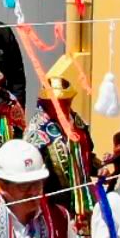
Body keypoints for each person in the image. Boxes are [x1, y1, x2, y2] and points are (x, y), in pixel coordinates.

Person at [26, 77, 97, 214]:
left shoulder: (78, 125)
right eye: (57, 103)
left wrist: (99, 167)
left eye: (66, 102)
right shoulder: (37, 132)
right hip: (52, 204)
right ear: (46, 104)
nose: (63, 108)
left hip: (83, 202)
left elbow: (86, 157)